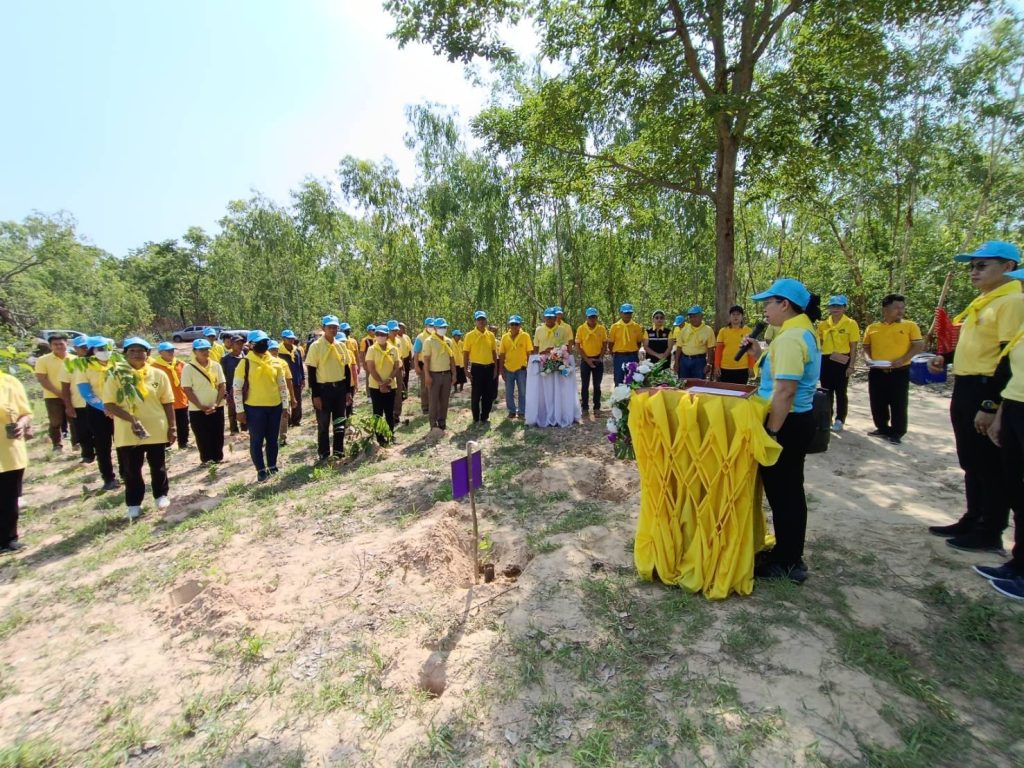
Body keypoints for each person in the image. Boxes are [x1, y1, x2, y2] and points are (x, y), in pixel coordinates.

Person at [927, 240, 1024, 552]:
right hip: (967, 384)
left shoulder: (1012, 302)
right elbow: (980, 345)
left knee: (989, 463)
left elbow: (1008, 357)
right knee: (971, 459)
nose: (974, 271)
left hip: (986, 387)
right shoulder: (986, 301)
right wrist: (947, 357)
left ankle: (990, 530)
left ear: (1008, 267)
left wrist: (991, 404)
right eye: (972, 266)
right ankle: (972, 518)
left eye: (982, 265)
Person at [746, 278, 823, 583]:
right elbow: (776, 376)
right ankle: (786, 552)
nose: (765, 309)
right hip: (791, 420)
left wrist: (772, 432)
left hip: (786, 422)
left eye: (768, 303)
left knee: (785, 494)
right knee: (785, 492)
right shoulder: (796, 332)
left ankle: (789, 562)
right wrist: (757, 353)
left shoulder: (791, 338)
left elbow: (786, 390)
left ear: (785, 304)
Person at [978, 263, 1024, 601]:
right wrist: (1000, 411)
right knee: (1016, 486)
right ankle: (1018, 563)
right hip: (1015, 405)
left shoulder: (1010, 305)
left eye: (982, 266)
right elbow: (1014, 372)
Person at [103, 337, 175, 520]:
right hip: (128, 430)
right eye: (132, 351)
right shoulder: (116, 375)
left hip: (155, 427)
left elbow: (168, 402)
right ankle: (134, 503)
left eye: (140, 350)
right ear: (125, 354)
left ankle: (161, 495)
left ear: (148, 353)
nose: (136, 354)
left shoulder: (158, 374)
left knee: (158, 465)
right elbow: (109, 404)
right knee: (132, 469)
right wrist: (131, 419)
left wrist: (172, 427)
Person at [861, 294, 924, 444]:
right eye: (896, 308)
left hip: (899, 371)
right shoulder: (872, 328)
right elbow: (866, 347)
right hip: (877, 371)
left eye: (902, 308)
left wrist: (903, 359)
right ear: (885, 309)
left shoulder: (910, 326)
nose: (900, 311)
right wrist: (868, 359)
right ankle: (882, 427)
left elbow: (918, 345)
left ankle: (897, 432)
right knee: (877, 401)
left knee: (899, 403)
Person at [234, 331, 288, 480]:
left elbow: (282, 385)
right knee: (257, 440)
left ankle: (272, 466)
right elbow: (237, 388)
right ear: (250, 345)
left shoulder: (275, 362)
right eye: (259, 342)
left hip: (275, 407)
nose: (263, 345)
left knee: (272, 439)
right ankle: (261, 470)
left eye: (265, 342)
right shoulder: (244, 363)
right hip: (254, 409)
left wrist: (285, 405)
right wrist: (239, 410)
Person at [306, 315, 356, 461]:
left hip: (339, 389)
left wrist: (348, 391)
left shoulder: (341, 346)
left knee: (340, 422)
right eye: (330, 327)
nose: (333, 330)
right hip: (323, 390)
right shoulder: (316, 346)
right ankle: (324, 453)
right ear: (323, 328)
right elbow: (311, 372)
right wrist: (315, 395)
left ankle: (339, 451)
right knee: (323, 423)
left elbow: (346, 369)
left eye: (335, 327)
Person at [80, 337, 119, 491]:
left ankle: (126, 473)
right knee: (103, 446)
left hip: (119, 410)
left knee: (123, 443)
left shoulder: (117, 364)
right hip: (97, 411)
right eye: (100, 349)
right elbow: (86, 392)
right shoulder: (84, 367)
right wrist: (105, 407)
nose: (105, 352)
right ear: (92, 351)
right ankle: (108, 478)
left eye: (107, 348)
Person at [1, 368, 33, 552]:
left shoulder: (10, 382)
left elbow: (25, 412)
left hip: (9, 448)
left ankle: (8, 538)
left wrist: (21, 424)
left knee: (9, 495)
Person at [817, 295, 860, 432]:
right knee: (826, 391)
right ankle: (827, 417)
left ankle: (840, 419)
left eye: (838, 306)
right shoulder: (823, 325)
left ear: (844, 308)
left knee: (841, 392)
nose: (835, 309)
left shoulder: (850, 323)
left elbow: (853, 346)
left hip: (842, 360)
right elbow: (818, 344)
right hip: (826, 360)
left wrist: (851, 365)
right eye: (832, 306)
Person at [180, 339, 226, 464]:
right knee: (202, 435)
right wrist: (201, 406)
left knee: (218, 433)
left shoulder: (216, 365)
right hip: (197, 409)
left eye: (207, 349)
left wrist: (216, 404)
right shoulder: (188, 368)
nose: (205, 352)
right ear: (194, 351)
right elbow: (187, 390)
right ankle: (206, 459)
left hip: (217, 406)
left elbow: (222, 385)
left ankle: (218, 458)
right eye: (201, 350)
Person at [35, 332, 76, 452]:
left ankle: (77, 443)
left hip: (73, 395)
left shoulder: (75, 359)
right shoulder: (43, 360)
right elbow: (42, 379)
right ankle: (57, 445)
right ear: (50, 346)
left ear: (66, 344)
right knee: (55, 421)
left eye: (61, 344)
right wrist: (58, 392)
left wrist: (67, 394)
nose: (58, 346)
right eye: (55, 344)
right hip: (52, 395)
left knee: (74, 420)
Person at [365, 325, 401, 444]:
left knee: (389, 412)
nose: (380, 336)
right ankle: (380, 438)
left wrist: (389, 380)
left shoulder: (393, 349)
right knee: (378, 413)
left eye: (383, 334)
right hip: (376, 386)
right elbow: (371, 368)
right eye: (378, 334)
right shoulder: (371, 349)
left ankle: (390, 434)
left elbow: (396, 366)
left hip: (391, 385)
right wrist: (381, 383)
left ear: (387, 336)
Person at [62, 337, 95, 465]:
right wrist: (68, 406)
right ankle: (87, 455)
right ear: (75, 349)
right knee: (83, 432)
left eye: (88, 347)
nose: (86, 349)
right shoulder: (70, 364)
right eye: (83, 347)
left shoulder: (100, 362)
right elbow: (65, 387)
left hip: (98, 404)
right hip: (79, 404)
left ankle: (101, 454)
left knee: (100, 432)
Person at [153, 341, 190, 450]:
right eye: (168, 351)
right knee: (166, 425)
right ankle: (167, 445)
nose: (171, 352)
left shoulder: (180, 364)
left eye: (172, 350)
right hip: (165, 402)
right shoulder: (155, 367)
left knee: (183, 423)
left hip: (181, 399)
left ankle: (183, 443)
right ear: (161, 353)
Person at [463, 311, 500, 424]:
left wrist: (495, 368)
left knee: (488, 394)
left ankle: (485, 417)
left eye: (483, 319)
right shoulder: (469, 336)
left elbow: (494, 352)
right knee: (476, 394)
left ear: (486, 320)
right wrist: (466, 369)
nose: (481, 321)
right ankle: (476, 417)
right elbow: (466, 353)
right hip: (476, 369)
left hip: (489, 368)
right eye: (479, 319)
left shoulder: (491, 335)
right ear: (475, 321)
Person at [421, 317, 457, 432]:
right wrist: (427, 376)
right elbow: (426, 360)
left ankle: (442, 422)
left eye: (445, 327)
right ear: (435, 328)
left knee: (444, 400)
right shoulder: (429, 341)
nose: (443, 329)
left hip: (446, 374)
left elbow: (452, 359)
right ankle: (433, 424)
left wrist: (454, 374)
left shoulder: (448, 341)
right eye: (440, 327)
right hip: (434, 375)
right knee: (433, 400)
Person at [576, 308, 608, 412]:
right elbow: (578, 346)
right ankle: (585, 406)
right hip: (586, 360)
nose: (592, 319)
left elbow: (604, 344)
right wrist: (586, 359)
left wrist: (600, 357)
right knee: (585, 384)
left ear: (597, 317)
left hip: (598, 359)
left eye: (594, 317)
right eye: (590, 317)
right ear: (587, 318)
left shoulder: (601, 329)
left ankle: (597, 406)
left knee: (597, 385)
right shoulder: (581, 329)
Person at [499, 315, 532, 419]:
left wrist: (530, 367)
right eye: (512, 324)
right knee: (509, 392)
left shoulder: (525, 336)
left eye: (516, 324)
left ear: (520, 325)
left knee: (523, 391)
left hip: (521, 369)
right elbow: (502, 354)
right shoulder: (504, 337)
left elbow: (529, 353)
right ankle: (512, 411)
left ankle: (522, 412)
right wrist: (501, 370)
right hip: (508, 369)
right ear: (509, 325)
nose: (514, 326)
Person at [715, 305, 754, 384]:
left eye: (738, 314)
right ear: (730, 316)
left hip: (742, 368)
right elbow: (718, 351)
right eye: (733, 314)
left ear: (742, 317)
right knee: (726, 390)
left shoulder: (748, 331)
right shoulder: (723, 331)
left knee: (741, 390)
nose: (735, 316)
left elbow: (751, 351)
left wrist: (751, 366)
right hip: (725, 367)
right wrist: (717, 366)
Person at [674, 306, 715, 380]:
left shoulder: (708, 330)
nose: (693, 319)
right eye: (691, 317)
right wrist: (676, 362)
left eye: (695, 316)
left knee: (698, 383)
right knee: (683, 382)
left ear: (701, 316)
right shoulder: (684, 329)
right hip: (684, 360)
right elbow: (679, 347)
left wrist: (709, 364)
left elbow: (710, 348)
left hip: (699, 361)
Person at [267, 340, 296, 446]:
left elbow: (289, 380)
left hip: (283, 395)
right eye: (271, 350)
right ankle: (271, 438)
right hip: (270, 396)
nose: (274, 352)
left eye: (276, 349)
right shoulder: (264, 363)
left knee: (284, 416)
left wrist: (292, 396)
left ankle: (283, 438)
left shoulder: (283, 363)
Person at [609, 304, 644, 385]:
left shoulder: (636, 327)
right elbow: (611, 343)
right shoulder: (615, 327)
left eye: (629, 313)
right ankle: (619, 393)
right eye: (626, 313)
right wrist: (614, 354)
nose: (628, 315)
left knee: (633, 379)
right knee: (618, 379)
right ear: (621, 313)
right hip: (619, 357)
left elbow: (639, 342)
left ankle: (632, 393)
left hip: (632, 356)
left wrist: (632, 350)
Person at [279, 330, 306, 427]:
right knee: (285, 400)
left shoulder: (296, 350)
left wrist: (303, 378)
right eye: (289, 338)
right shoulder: (279, 351)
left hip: (296, 379)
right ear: (283, 339)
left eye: (292, 338)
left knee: (297, 399)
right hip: (284, 380)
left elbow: (300, 365)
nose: (291, 340)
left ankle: (296, 420)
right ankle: (288, 420)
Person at [221, 335, 246, 434]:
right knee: (232, 411)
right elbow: (223, 375)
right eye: (237, 343)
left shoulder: (246, 357)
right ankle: (234, 430)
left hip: (245, 389)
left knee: (245, 410)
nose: (240, 345)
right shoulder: (225, 359)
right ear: (231, 345)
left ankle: (245, 430)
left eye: (242, 343)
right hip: (231, 389)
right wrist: (225, 391)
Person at [385, 321, 406, 426]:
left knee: (399, 391)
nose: (395, 332)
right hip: (388, 369)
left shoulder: (398, 340)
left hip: (398, 368)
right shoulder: (384, 342)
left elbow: (400, 356)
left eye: (396, 330)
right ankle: (389, 414)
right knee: (389, 391)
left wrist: (403, 368)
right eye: (393, 330)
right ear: (388, 331)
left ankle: (396, 414)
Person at [414, 318, 435, 415]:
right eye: (430, 325)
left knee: (434, 386)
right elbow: (416, 353)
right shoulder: (420, 337)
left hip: (435, 365)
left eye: (433, 325)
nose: (431, 327)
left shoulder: (436, 335)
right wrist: (416, 366)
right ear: (425, 326)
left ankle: (433, 405)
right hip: (423, 364)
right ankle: (425, 407)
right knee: (425, 387)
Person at [397, 322, 413, 398]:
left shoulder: (406, 337)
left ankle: (405, 393)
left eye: (404, 328)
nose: (404, 329)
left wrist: (411, 360)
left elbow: (409, 349)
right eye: (402, 328)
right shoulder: (395, 338)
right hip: (399, 360)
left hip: (406, 360)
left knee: (406, 376)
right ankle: (399, 393)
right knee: (400, 377)